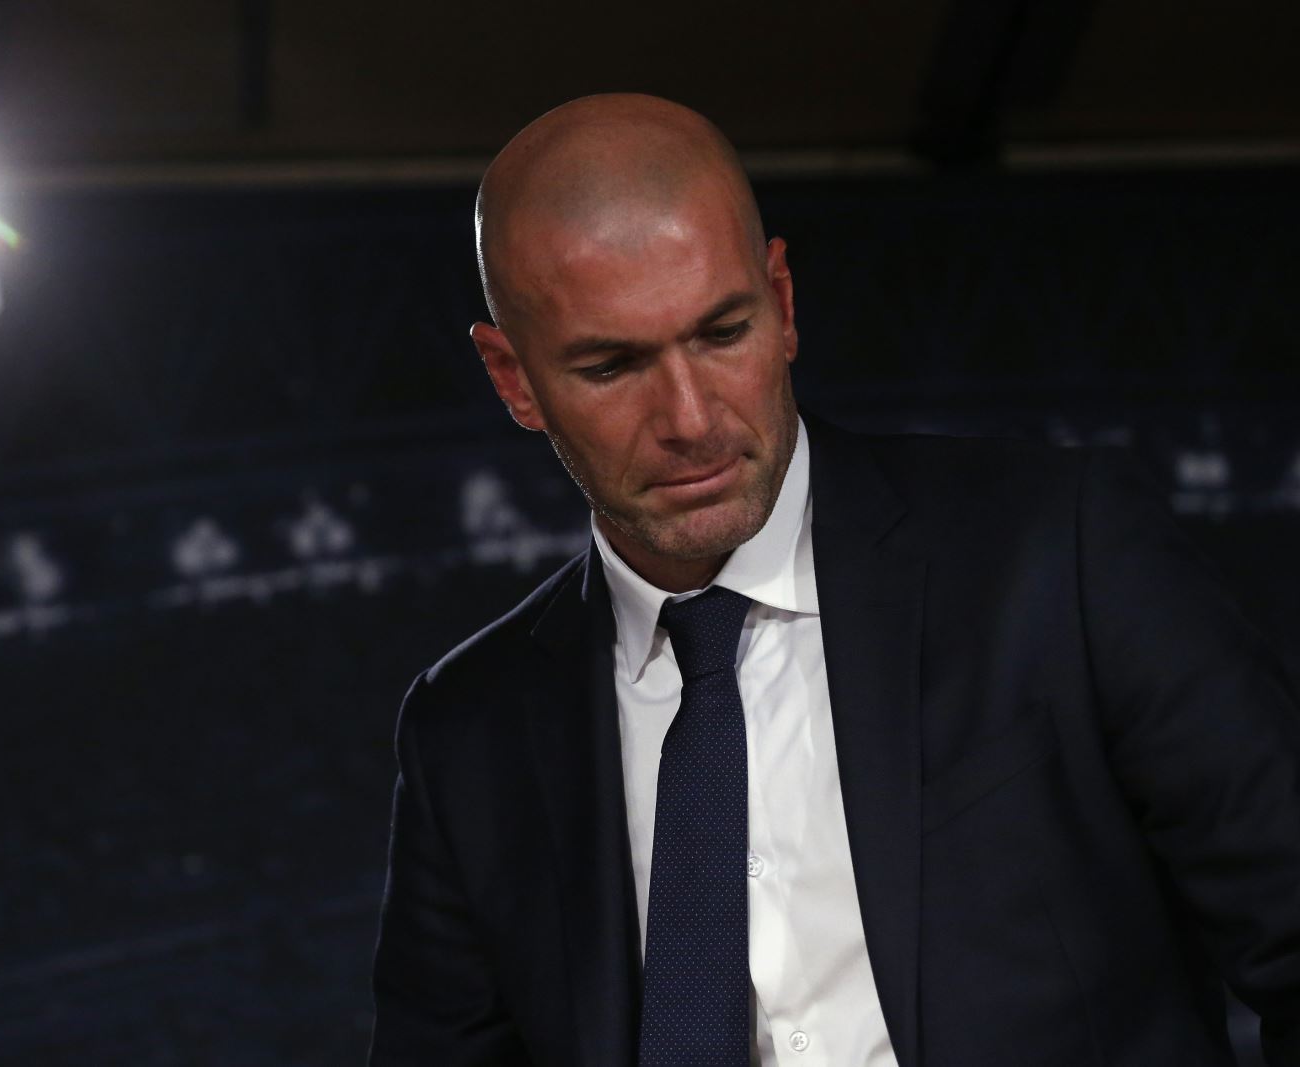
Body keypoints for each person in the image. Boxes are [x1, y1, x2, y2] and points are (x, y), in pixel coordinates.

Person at [368, 93, 1300, 1066]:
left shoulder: (1059, 554)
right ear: (513, 379)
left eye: (722, 333)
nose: (690, 417)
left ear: (782, 301)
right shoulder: (466, 732)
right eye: (612, 366)